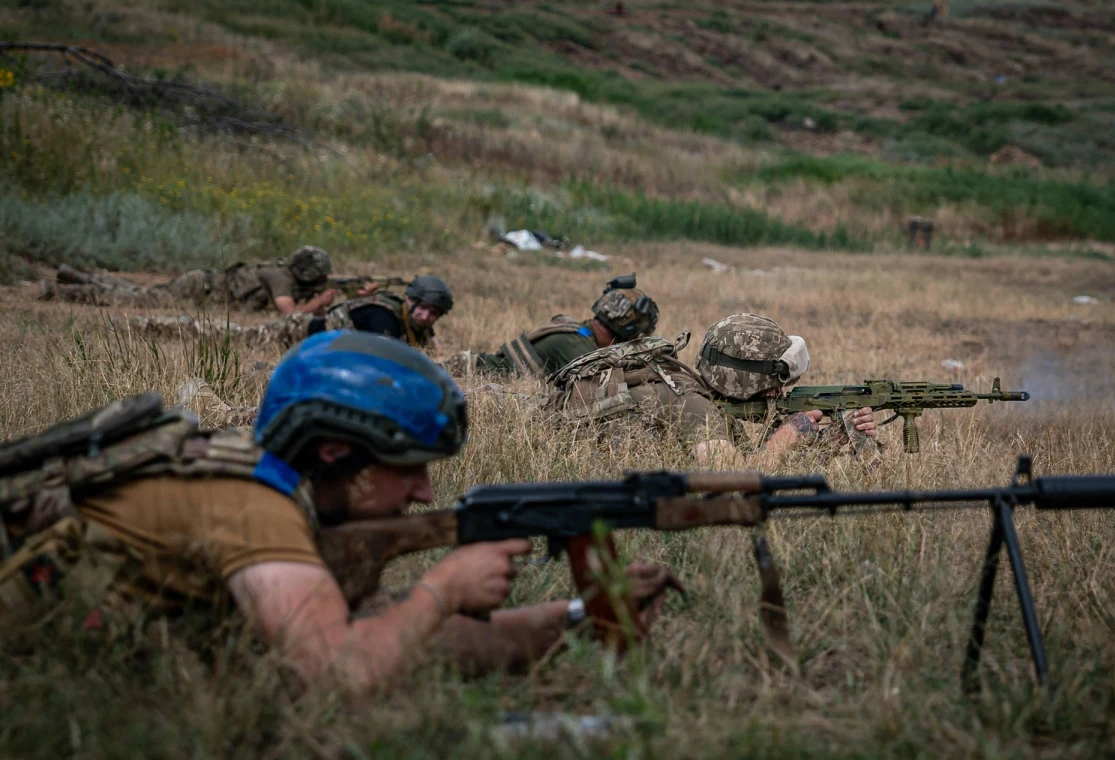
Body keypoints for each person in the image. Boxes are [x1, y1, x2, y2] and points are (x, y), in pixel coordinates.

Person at [0, 332, 678, 696]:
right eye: (406, 467)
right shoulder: (254, 510)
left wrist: (577, 621)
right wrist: (442, 590)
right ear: (332, 453)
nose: (421, 493)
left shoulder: (275, 490)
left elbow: (396, 643)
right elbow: (336, 675)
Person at [552, 313, 877, 467]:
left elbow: (752, 463)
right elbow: (736, 483)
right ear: (750, 380)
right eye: (775, 382)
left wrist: (832, 441)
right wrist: (786, 436)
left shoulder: (694, 389)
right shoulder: (693, 406)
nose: (779, 391)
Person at [114, 274, 453, 351]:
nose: (426, 316)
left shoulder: (410, 321)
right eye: (422, 308)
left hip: (308, 335)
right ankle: (139, 326)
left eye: (433, 312)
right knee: (216, 334)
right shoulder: (385, 317)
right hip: (295, 332)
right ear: (409, 300)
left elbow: (427, 343)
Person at [445, 274, 659, 379]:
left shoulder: (581, 332)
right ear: (626, 333)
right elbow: (597, 393)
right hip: (462, 374)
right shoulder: (577, 346)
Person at [37, 246, 339, 316]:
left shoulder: (281, 273)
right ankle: (58, 291)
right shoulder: (278, 277)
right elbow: (288, 314)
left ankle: (73, 277)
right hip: (196, 290)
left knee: (132, 291)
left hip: (200, 286)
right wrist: (320, 303)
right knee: (133, 299)